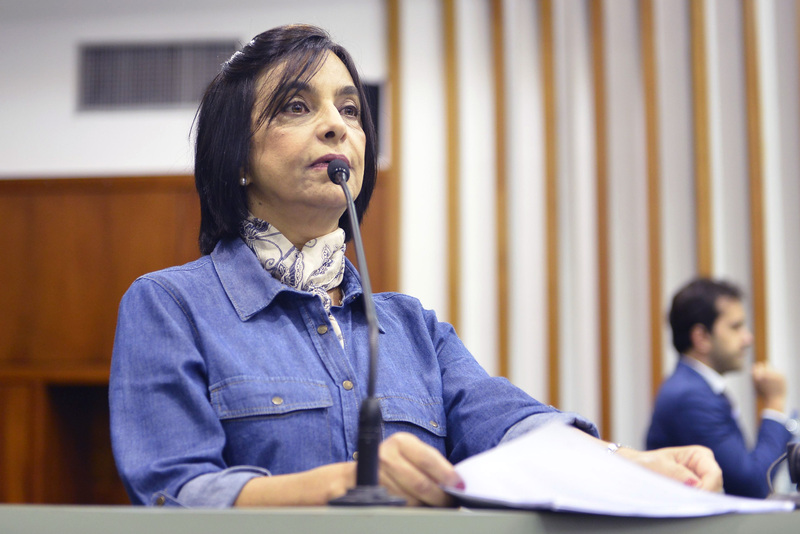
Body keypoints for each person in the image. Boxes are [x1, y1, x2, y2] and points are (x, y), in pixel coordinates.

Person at [109, 24, 721, 508]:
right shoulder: (170, 306)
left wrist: (626, 462)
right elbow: (177, 491)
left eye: (351, 110)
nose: (336, 126)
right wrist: (345, 485)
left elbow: (509, 422)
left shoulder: (411, 327)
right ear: (237, 157)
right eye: (296, 106)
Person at [647, 277, 794, 498]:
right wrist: (775, 403)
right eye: (736, 327)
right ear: (702, 337)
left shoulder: (694, 387)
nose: (748, 338)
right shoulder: (691, 397)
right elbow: (753, 485)